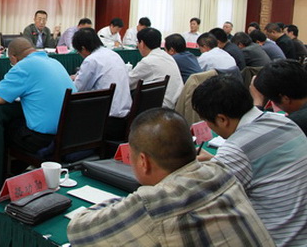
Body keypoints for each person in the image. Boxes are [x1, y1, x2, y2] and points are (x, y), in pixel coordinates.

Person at [67, 108, 274, 247]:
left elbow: (78, 231)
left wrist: (128, 202)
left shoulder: (154, 204)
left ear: (143, 161)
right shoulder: (221, 171)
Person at [192, 75, 307, 246]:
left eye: (207, 121)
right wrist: (217, 160)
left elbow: (201, 200)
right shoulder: (283, 121)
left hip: (281, 240)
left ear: (222, 119)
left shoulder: (236, 148)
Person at [0, 38, 75, 154]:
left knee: (8, 128)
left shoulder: (23, 66)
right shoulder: (55, 62)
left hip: (46, 139)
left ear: (13, 58)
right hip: (71, 135)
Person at [71, 28, 131, 138]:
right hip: (125, 117)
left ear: (83, 48)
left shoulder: (91, 60)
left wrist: (70, 80)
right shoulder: (113, 54)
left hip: (107, 121)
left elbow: (77, 89)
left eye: (78, 51)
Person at [128, 28, 183, 109]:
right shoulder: (167, 56)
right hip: (175, 104)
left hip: (160, 108)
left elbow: (128, 83)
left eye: (138, 42)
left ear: (142, 43)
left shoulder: (148, 62)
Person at [253, 59, 307, 135]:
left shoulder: (295, 123)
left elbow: (255, 135)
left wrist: (257, 103)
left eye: (272, 100)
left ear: (285, 99)